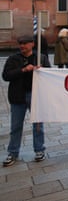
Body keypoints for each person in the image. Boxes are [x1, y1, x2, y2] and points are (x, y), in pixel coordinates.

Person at [2, 35, 51, 167]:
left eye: (25, 43)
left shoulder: (41, 58)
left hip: (35, 96)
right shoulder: (13, 59)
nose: (22, 46)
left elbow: (50, 76)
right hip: (18, 96)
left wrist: (42, 71)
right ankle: (13, 152)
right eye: (20, 43)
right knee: (16, 126)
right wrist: (23, 70)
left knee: (38, 125)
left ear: (32, 44)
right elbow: (6, 76)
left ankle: (39, 150)